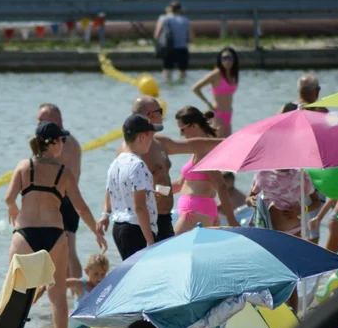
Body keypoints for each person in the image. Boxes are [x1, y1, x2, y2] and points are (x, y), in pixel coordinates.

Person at [4, 121, 107, 328]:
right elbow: (81, 207)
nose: (64, 143)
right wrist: (96, 233)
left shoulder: (24, 167)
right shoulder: (63, 172)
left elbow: (9, 198)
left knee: (15, 296)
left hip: (25, 234)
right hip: (54, 235)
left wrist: (13, 208)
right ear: (51, 143)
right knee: (57, 294)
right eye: (61, 140)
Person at [110, 96, 224, 243]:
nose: (163, 116)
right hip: (143, 223)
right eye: (160, 111)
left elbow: (191, 145)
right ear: (151, 114)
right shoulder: (131, 149)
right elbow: (118, 185)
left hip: (164, 219)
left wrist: (226, 143)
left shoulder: (159, 142)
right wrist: (105, 214)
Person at [99, 114, 160, 260]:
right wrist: (150, 240)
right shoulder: (138, 165)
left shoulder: (115, 163)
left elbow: (112, 192)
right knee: (143, 278)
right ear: (141, 137)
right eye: (150, 135)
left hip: (119, 227)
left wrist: (106, 215)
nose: (152, 140)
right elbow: (139, 207)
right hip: (136, 229)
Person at [172, 106, 237, 234]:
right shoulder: (198, 150)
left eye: (182, 130)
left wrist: (231, 220)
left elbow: (221, 186)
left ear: (194, 126)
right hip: (198, 213)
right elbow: (181, 183)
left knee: (171, 250)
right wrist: (155, 190)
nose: (181, 134)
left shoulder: (206, 152)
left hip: (196, 213)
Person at [37, 103, 84, 280]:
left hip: (61, 203)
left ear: (56, 119)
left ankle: (75, 292)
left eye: (42, 119)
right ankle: (74, 294)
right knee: (67, 250)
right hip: (69, 202)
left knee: (65, 251)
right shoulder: (70, 140)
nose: (38, 123)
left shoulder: (61, 143)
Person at [249, 169, 321, 240]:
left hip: (294, 231)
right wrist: (251, 201)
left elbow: (317, 203)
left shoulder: (301, 174)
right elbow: (249, 198)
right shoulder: (263, 173)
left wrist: (301, 210)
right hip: (266, 228)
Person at [189, 47, 239, 136]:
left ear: (234, 60)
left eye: (230, 58)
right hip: (218, 113)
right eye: (224, 58)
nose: (227, 61)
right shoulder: (216, 74)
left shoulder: (233, 75)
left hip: (229, 113)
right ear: (220, 60)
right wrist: (208, 103)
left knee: (228, 144)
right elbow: (196, 88)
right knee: (216, 143)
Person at [154, 1, 192, 81]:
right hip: (182, 49)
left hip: (168, 49)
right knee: (182, 74)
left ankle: (168, 92)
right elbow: (191, 39)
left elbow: (156, 35)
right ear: (180, 9)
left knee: (167, 73)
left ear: (169, 9)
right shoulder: (185, 20)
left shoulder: (163, 18)